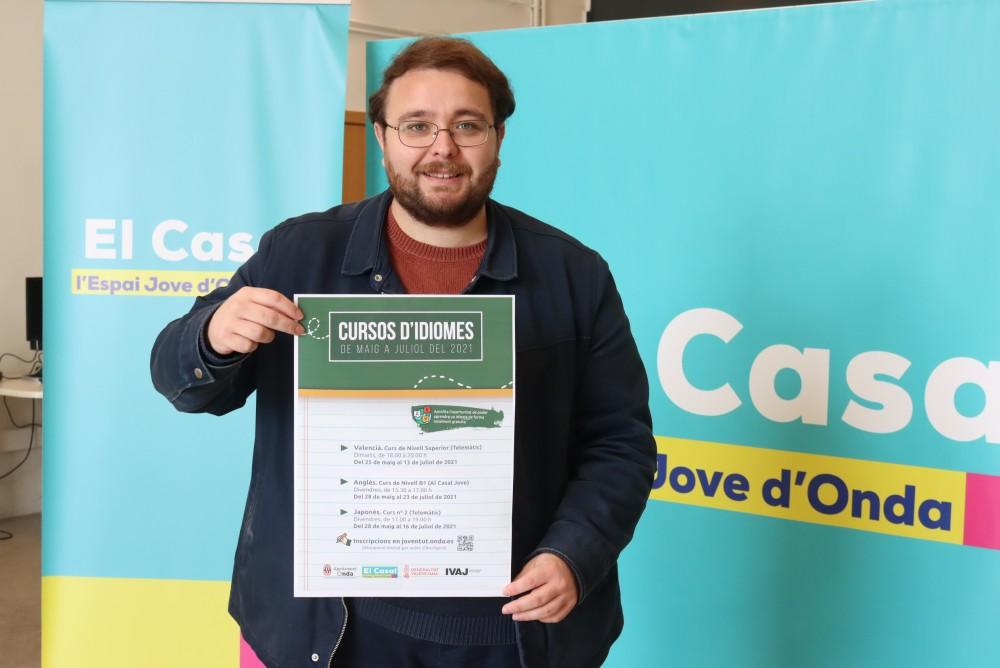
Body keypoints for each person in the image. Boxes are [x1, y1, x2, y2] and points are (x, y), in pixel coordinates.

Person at [151, 36, 655, 668]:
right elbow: (182, 380)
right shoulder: (299, 254)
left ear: (498, 137)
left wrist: (574, 552)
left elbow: (621, 442)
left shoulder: (574, 275)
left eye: (466, 125)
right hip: (322, 629)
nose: (442, 148)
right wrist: (211, 335)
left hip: (508, 635)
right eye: (417, 126)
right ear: (383, 138)